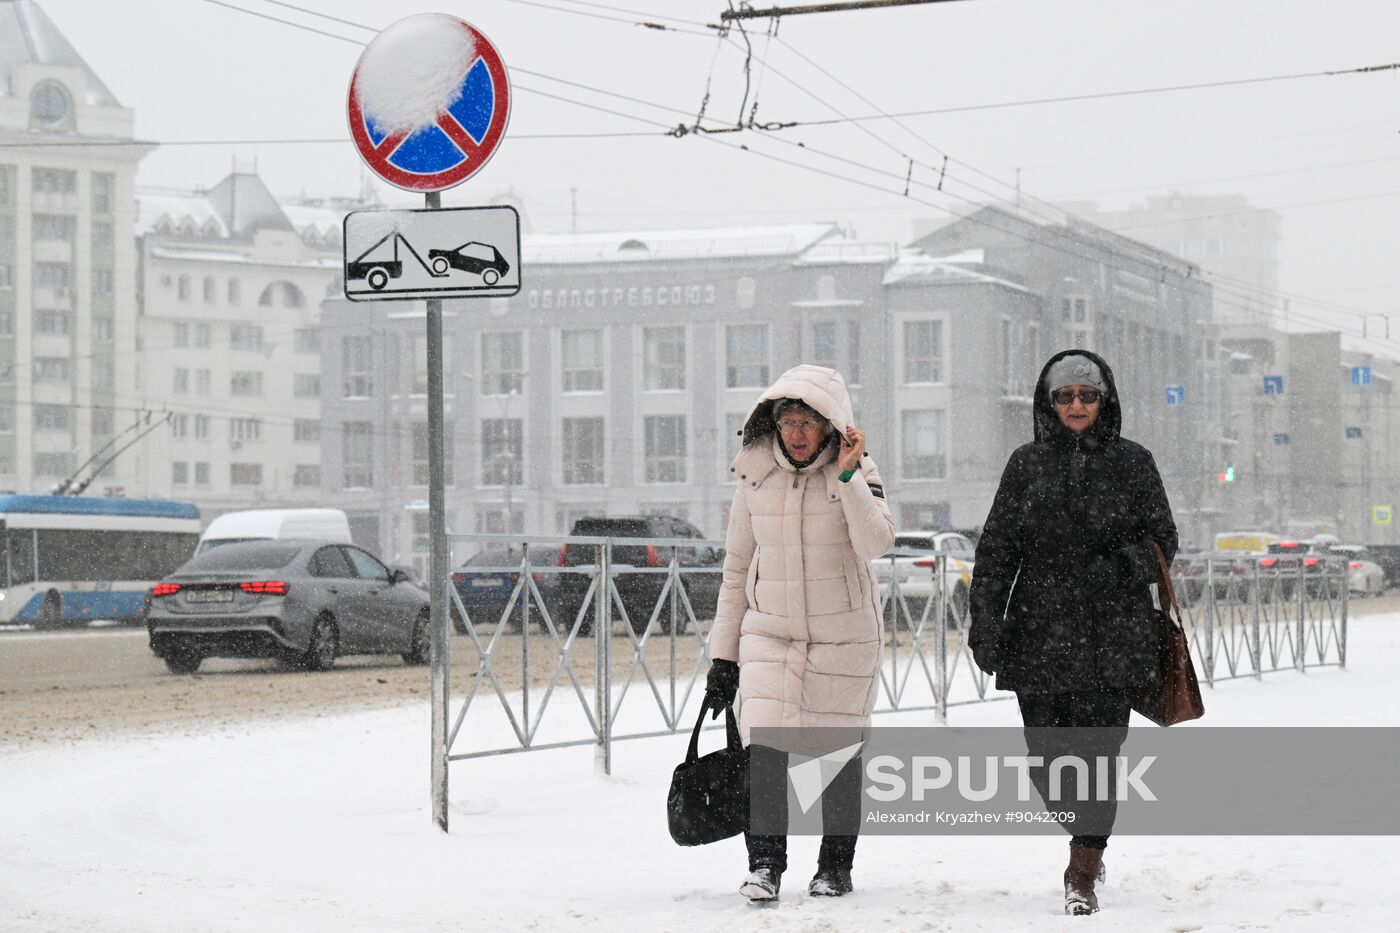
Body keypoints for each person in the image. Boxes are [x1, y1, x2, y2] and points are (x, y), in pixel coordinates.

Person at [967, 349, 1177, 916]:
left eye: (1088, 395)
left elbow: (1163, 542)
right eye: (1066, 396)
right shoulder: (1025, 464)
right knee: (1047, 760)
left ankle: (1083, 864)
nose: (1077, 405)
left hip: (1113, 636)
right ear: (1049, 403)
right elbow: (996, 550)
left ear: (1103, 401)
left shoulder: (1134, 462)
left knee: (1100, 756)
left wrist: (1116, 568)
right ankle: (1081, 828)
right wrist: (984, 621)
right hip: (1038, 634)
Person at [703, 364, 895, 903]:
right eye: (788, 421)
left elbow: (876, 543)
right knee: (764, 747)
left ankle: (835, 866)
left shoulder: (857, 469)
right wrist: (724, 658)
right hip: (770, 634)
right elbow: (736, 569)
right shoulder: (754, 475)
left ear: (831, 426)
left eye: (809, 421)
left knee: (837, 755)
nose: (797, 433)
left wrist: (851, 476)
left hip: (845, 636)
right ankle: (765, 863)